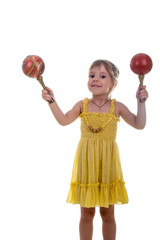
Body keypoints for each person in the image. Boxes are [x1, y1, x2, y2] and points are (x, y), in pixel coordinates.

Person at [42, 59, 148, 240]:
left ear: (113, 83)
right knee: (86, 214)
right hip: (87, 163)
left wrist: (141, 102)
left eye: (102, 76)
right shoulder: (82, 105)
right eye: (92, 75)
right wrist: (51, 100)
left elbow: (140, 124)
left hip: (107, 164)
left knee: (107, 214)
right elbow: (63, 120)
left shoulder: (117, 107)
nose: (95, 79)